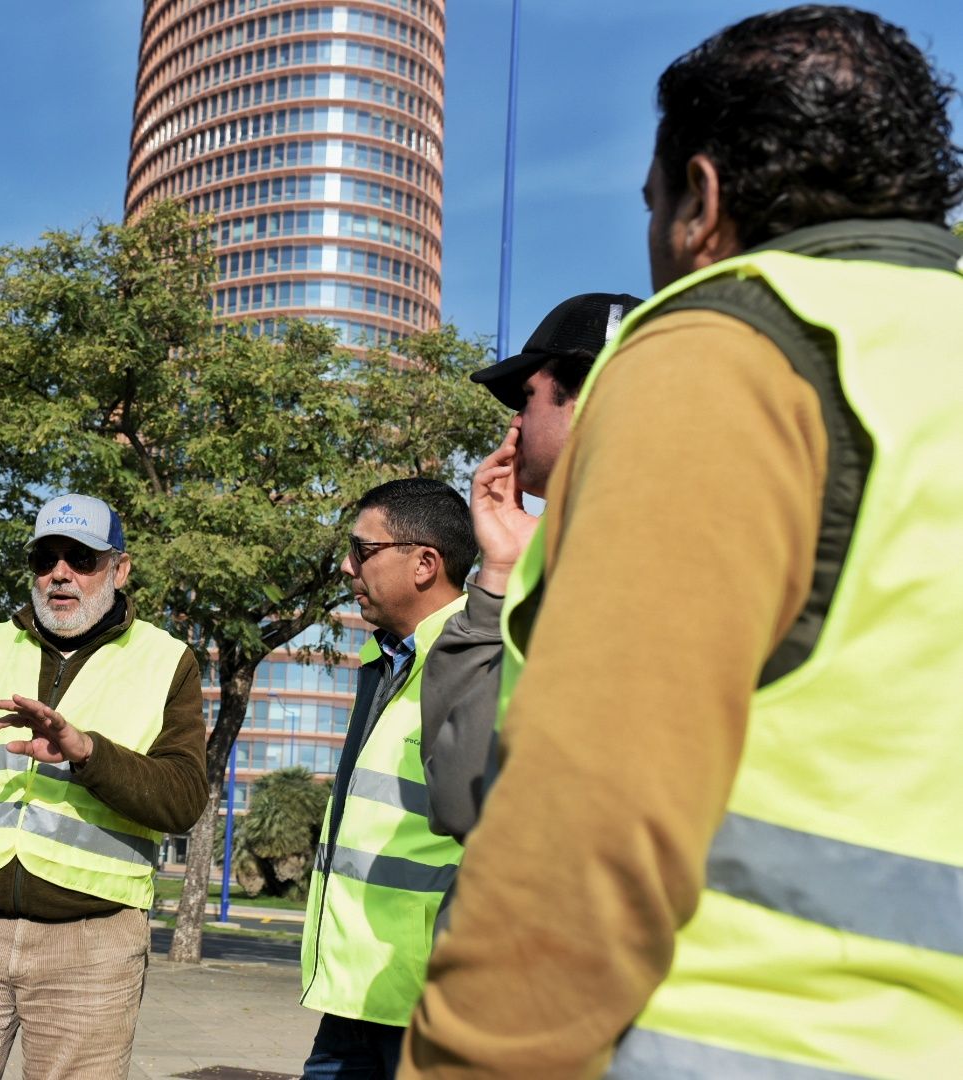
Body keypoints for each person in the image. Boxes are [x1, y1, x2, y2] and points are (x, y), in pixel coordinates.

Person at [405, 7, 963, 1077]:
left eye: (654, 207)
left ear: (700, 201)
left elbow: (588, 820)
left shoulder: (732, 350)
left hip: (744, 1040)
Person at [0, 493, 206, 1080]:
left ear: (120, 569)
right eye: (46, 558)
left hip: (92, 946)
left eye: (82, 559)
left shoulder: (168, 661)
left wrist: (87, 752)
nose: (60, 573)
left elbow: (183, 798)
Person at [422, 293, 639, 843]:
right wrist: (502, 567)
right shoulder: (596, 554)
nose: (516, 422)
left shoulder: (616, 572)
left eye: (528, 397)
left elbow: (460, 793)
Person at [298, 478, 477, 1078]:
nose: (348, 567)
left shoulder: (485, 659)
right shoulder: (387, 659)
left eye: (363, 550)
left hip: (432, 1004)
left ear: (425, 562)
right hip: (354, 995)